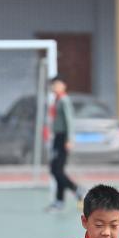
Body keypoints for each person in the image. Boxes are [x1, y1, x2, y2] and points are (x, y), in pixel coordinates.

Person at [44, 77, 83, 213]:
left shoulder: (64, 100)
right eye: (53, 85)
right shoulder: (56, 100)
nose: (54, 87)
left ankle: (75, 190)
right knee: (55, 169)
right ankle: (60, 200)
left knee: (57, 170)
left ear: (63, 85)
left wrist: (69, 139)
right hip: (57, 137)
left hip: (63, 137)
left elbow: (69, 120)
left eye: (57, 84)